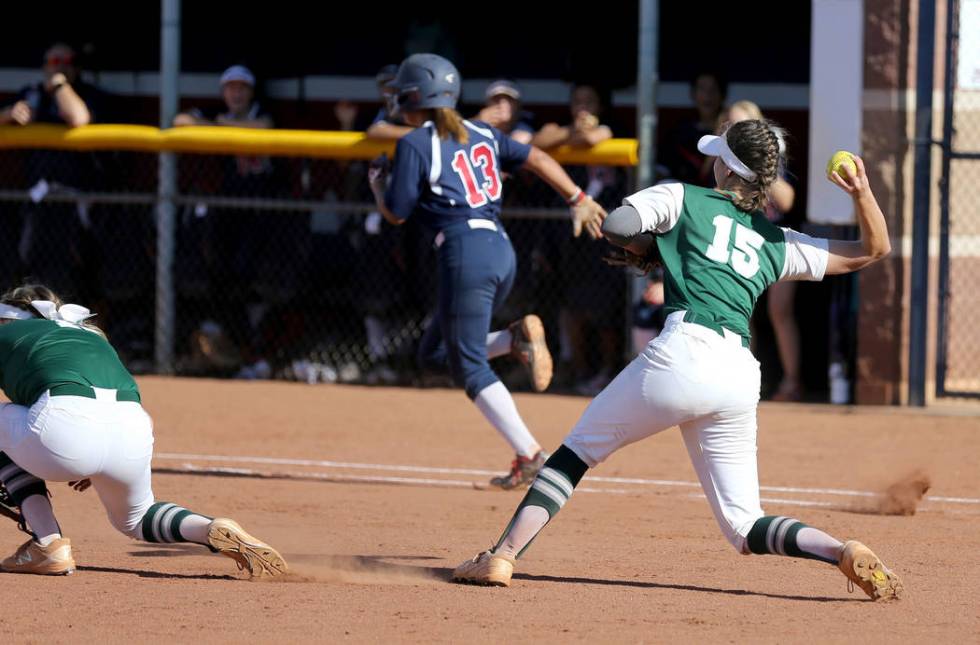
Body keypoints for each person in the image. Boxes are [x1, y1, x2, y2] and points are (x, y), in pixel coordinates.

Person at [452, 119, 903, 601]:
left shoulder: (682, 196)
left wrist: (651, 252)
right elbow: (873, 250)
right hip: (737, 372)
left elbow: (618, 225)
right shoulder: (776, 240)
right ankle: (839, 550)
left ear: (727, 169)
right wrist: (861, 191)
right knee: (745, 526)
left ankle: (501, 556)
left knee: (574, 454)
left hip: (683, 350)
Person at [369, 54, 606, 489]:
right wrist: (576, 198)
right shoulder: (482, 131)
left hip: (465, 252)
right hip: (499, 247)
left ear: (413, 96)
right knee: (435, 355)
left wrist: (378, 185)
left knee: (469, 366)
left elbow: (398, 213)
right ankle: (513, 339)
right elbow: (535, 156)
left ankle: (531, 454)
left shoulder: (415, 143)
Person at [0, 285, 286, 577]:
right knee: (136, 519)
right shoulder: (91, 336)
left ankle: (47, 542)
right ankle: (209, 528)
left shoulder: (6, 335)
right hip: (132, 430)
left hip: (64, 426)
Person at [533, 84, 623, 395]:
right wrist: (571, 131)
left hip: (604, 230)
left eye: (590, 101)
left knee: (604, 309)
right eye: (577, 102)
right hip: (571, 235)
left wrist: (576, 134)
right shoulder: (560, 129)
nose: (583, 108)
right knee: (572, 306)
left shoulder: (610, 130)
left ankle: (608, 371)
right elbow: (538, 142)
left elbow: (591, 138)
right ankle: (581, 371)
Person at [722, 100, 801, 401]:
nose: (734, 131)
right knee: (743, 313)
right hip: (739, 237)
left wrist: (757, 167)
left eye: (742, 125)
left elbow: (787, 200)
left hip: (775, 240)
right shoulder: (721, 158)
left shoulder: (770, 151)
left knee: (779, 311)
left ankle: (792, 381)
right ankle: (746, 383)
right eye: (729, 125)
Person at [663, 71, 727, 186]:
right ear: (693, 94)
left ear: (722, 95)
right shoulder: (680, 132)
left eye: (713, 89)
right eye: (702, 89)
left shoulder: (730, 132)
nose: (708, 95)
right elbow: (664, 169)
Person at [476, 80, 535, 145]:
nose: (502, 104)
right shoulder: (477, 124)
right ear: (487, 104)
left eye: (509, 99)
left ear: (517, 105)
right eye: (496, 99)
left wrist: (531, 142)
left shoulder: (524, 128)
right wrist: (477, 124)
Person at [365, 64, 414, 141]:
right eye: (386, 83)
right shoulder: (377, 113)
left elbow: (427, 133)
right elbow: (374, 131)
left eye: (395, 83)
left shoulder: (414, 109)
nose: (391, 88)